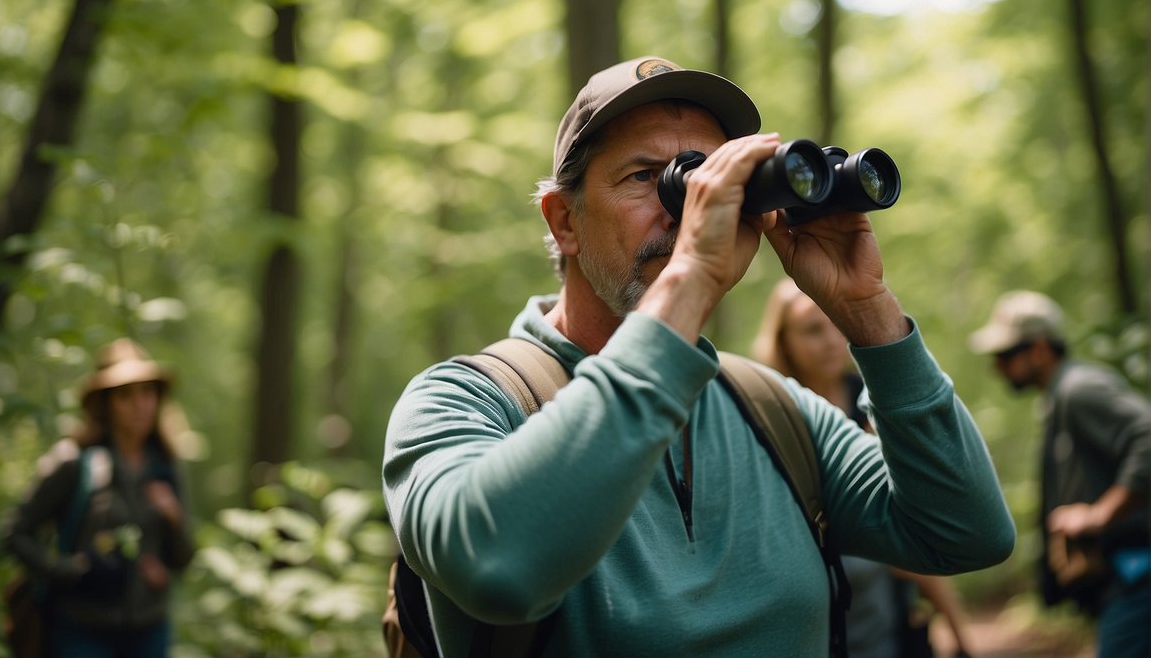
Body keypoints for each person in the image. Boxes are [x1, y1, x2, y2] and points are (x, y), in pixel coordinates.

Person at [383, 55, 1015, 656]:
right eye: (645, 178)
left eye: (708, 177)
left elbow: (966, 533)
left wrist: (866, 310)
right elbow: (501, 570)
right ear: (564, 222)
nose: (687, 208)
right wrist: (692, 273)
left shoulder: (769, 410)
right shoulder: (462, 401)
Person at [755, 277, 975, 658]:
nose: (830, 341)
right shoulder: (768, 410)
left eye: (834, 325)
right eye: (811, 330)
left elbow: (912, 518)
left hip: (885, 608)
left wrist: (958, 632)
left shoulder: (873, 399)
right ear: (783, 340)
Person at [970, 290, 1150, 658]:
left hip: (1138, 574)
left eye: (1006, 355)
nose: (997, 367)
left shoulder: (1078, 389)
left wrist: (1099, 514)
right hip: (1123, 580)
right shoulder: (1060, 396)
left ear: (1039, 349)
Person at [4, 338, 196, 657]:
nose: (140, 405)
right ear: (104, 403)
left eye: (147, 392)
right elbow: (15, 533)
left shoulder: (166, 466)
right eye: (125, 395)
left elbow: (184, 559)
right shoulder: (74, 462)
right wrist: (65, 570)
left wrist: (173, 519)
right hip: (82, 630)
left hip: (150, 631)